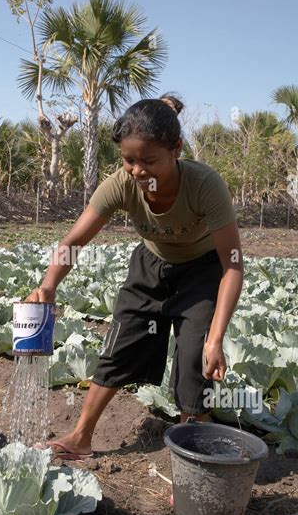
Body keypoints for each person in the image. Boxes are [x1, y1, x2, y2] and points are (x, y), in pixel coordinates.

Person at [26, 94, 244, 460]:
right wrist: (48, 286)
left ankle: (195, 458)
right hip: (151, 265)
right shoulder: (121, 184)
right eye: (129, 160)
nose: (138, 171)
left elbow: (233, 264)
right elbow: (73, 241)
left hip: (203, 271)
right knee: (118, 345)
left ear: (176, 149)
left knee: (195, 360)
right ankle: (81, 436)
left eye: (149, 161)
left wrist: (215, 339)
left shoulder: (205, 185)